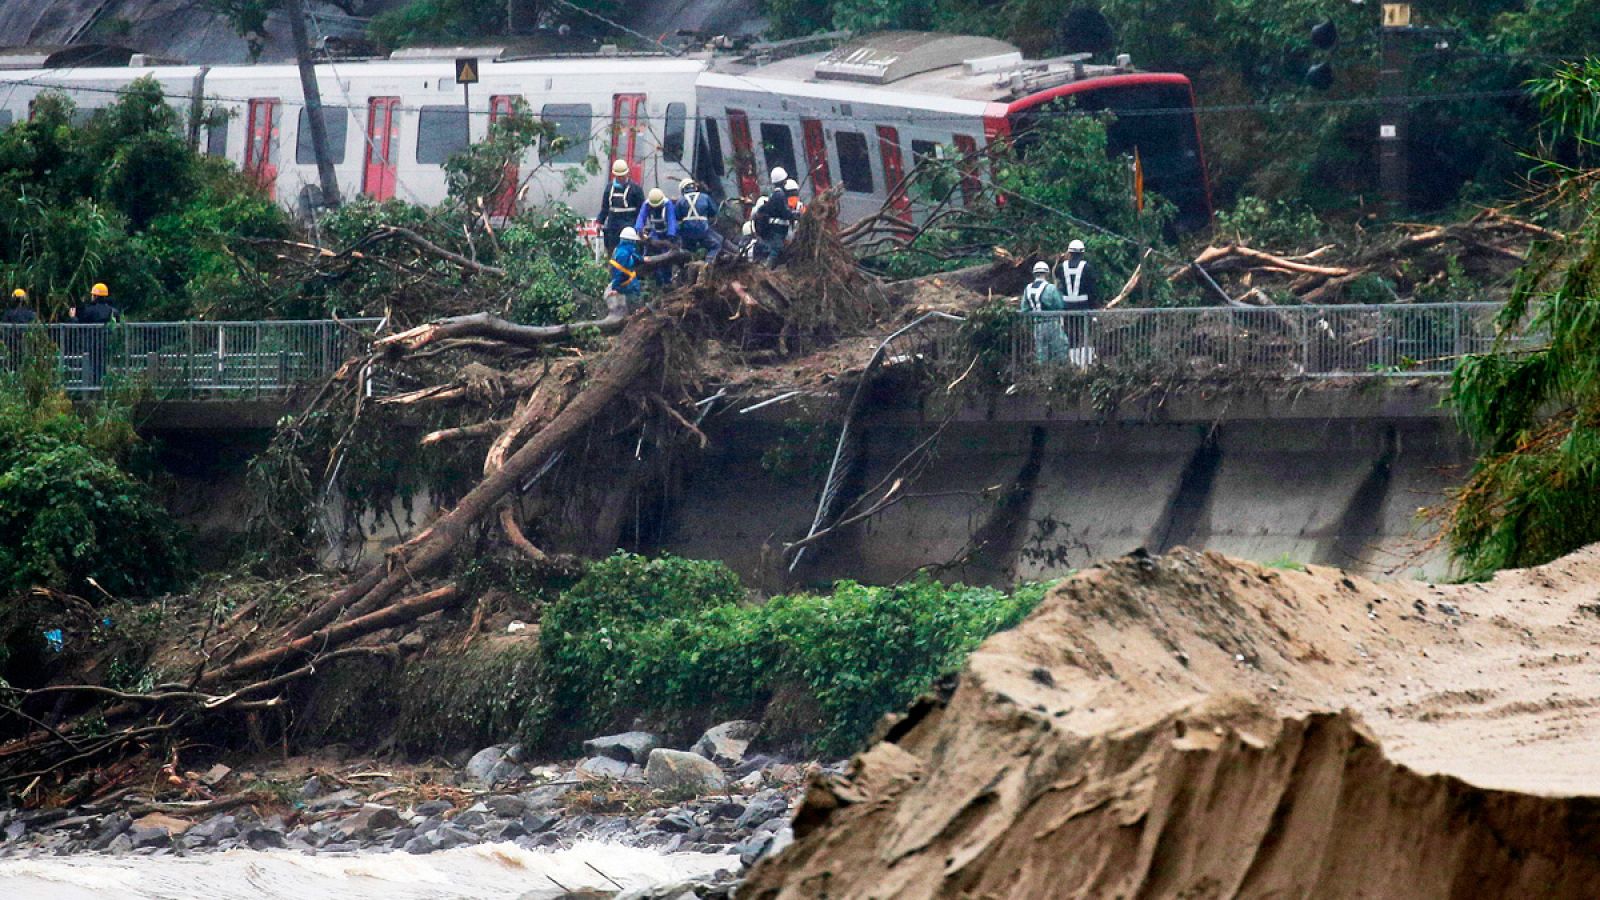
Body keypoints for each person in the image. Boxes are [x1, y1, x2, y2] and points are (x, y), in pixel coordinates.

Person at [1054, 239, 1099, 359]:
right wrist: (1094, 308)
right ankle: (1086, 363)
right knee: (1085, 335)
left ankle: (1073, 362)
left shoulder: (1060, 268)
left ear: (1069, 253)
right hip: (1084, 306)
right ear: (1082, 253)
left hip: (1067, 307)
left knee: (1071, 336)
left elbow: (1058, 285)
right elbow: (1092, 290)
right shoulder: (1088, 268)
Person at [70, 282, 119, 388]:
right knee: (104, 365)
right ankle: (105, 387)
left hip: (92, 343)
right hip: (107, 342)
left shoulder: (89, 311)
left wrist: (73, 317)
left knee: (93, 366)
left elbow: (80, 326)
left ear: (95, 296)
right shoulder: (113, 311)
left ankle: (94, 388)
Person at [1021, 261, 1066, 364]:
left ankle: (1042, 375)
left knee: (1041, 353)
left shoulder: (1028, 288)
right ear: (1047, 273)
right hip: (1052, 323)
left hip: (1037, 325)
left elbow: (1024, 308)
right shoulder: (1051, 288)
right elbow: (1060, 305)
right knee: (1061, 347)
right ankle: (1061, 372)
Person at [752, 167, 798, 266]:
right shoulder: (779, 195)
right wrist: (794, 215)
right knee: (776, 249)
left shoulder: (775, 194)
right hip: (778, 229)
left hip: (777, 228)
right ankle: (766, 268)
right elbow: (784, 213)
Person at [596, 160, 644, 254]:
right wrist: (599, 222)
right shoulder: (609, 188)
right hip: (613, 225)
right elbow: (605, 208)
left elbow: (641, 210)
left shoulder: (635, 189)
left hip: (629, 224)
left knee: (630, 250)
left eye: (622, 175)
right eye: (618, 176)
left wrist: (640, 226)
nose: (621, 178)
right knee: (613, 250)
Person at [635, 187, 679, 286]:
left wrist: (671, 236)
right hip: (655, 234)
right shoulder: (647, 204)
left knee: (666, 258)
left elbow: (672, 221)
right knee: (649, 254)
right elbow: (641, 217)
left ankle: (667, 282)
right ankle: (654, 281)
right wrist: (639, 230)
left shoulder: (668, 204)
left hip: (667, 234)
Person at [675, 179, 724, 265]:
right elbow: (713, 211)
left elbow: (677, 217)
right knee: (716, 245)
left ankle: (683, 269)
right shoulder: (704, 197)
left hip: (687, 233)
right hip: (703, 230)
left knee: (685, 251)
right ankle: (707, 264)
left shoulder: (680, 201)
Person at [605, 227, 645, 317]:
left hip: (628, 283)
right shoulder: (623, 254)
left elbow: (637, 258)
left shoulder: (622, 250)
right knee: (634, 308)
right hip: (626, 285)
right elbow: (619, 272)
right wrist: (616, 288)